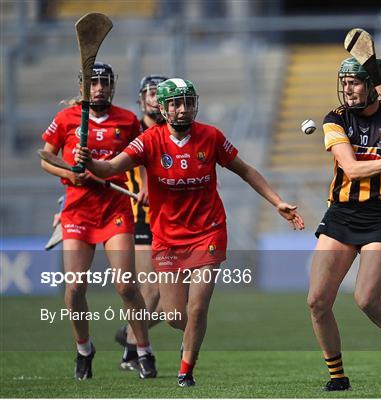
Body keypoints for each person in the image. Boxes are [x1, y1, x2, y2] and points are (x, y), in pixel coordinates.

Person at [75, 78, 305, 387]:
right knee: (174, 316)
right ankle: (191, 336)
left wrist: (277, 202)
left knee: (197, 307)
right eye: (175, 104)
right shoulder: (149, 140)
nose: (183, 110)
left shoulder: (210, 137)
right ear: (164, 108)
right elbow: (110, 168)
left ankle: (186, 371)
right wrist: (90, 162)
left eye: (188, 103)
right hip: (167, 239)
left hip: (208, 233)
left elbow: (246, 170)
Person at [307, 57, 381, 391]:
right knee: (317, 301)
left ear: (374, 86)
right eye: (344, 82)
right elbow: (352, 168)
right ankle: (337, 376)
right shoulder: (336, 119)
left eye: (355, 82)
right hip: (342, 213)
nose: (347, 89)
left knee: (366, 299)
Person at [40, 62, 157, 380]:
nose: (99, 88)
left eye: (104, 82)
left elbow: (142, 155)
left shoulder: (127, 120)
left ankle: (143, 350)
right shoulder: (67, 119)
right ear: (83, 87)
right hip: (78, 211)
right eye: (94, 82)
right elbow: (46, 157)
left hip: (116, 209)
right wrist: (70, 175)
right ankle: (84, 349)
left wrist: (145, 185)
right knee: (75, 286)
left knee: (125, 284)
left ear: (112, 86)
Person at [115, 75, 169, 371]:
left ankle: (129, 337)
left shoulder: (172, 131)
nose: (154, 98)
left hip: (172, 220)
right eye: (150, 93)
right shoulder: (131, 131)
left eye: (160, 94)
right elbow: (108, 166)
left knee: (175, 299)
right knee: (152, 290)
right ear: (141, 99)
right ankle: (133, 351)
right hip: (142, 217)